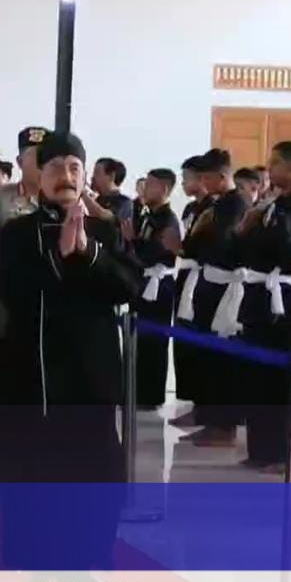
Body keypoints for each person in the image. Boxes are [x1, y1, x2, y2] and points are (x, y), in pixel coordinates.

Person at [0, 131, 140, 568]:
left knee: (96, 483)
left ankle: (91, 564)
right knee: (33, 484)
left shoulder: (104, 231)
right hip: (34, 381)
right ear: (39, 176)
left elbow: (130, 287)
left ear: (85, 176)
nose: (65, 176)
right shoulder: (17, 232)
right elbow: (14, 290)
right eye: (55, 167)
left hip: (92, 380)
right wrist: (60, 256)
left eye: (74, 168)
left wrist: (87, 253)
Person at [235, 142, 291, 473]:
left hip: (281, 300)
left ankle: (281, 453)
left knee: (277, 381)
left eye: (275, 164)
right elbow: (245, 247)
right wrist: (248, 225)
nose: (269, 169)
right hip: (259, 296)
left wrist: (259, 233)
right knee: (256, 378)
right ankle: (260, 449)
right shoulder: (273, 204)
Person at [0, 127, 47, 488]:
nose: (42, 164)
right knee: (0, 403)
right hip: (4, 322)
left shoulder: (64, 202)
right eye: (34, 157)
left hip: (48, 324)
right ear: (19, 161)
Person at [176, 148, 250, 447]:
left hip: (225, 286)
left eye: (207, 178)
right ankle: (209, 417)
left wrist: (205, 231)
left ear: (221, 176)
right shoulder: (218, 204)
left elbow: (224, 243)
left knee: (222, 359)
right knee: (206, 355)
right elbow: (197, 245)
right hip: (209, 282)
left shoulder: (237, 204)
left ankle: (224, 425)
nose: (203, 183)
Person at [125, 168, 181, 409]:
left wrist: (132, 240)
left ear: (164, 189)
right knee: (141, 341)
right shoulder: (150, 215)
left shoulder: (168, 220)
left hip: (159, 285)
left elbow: (153, 253)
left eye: (149, 185)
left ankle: (151, 395)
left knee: (154, 342)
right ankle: (138, 391)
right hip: (144, 282)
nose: (144, 189)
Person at [170, 155, 212, 427]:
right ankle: (192, 403)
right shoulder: (190, 208)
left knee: (199, 342)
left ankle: (204, 408)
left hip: (201, 276)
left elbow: (198, 246)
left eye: (187, 178)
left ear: (202, 178)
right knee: (184, 341)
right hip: (185, 274)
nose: (183, 183)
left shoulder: (212, 208)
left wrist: (180, 248)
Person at [91, 157, 135, 226]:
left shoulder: (124, 202)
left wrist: (83, 193)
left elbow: (104, 215)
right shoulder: (98, 199)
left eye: (97, 173)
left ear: (111, 176)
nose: (93, 177)